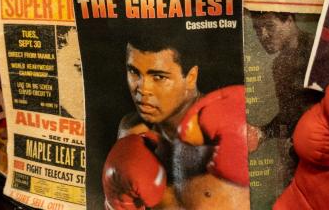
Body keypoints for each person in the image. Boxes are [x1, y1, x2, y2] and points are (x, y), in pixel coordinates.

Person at [104, 39, 250, 210]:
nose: (143, 89)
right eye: (134, 72)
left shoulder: (227, 129)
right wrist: (116, 204)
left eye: (158, 77)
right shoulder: (131, 130)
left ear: (191, 77)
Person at [250, 12, 318, 184]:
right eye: (257, 29)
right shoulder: (279, 64)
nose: (263, 35)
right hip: (300, 158)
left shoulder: (317, 50)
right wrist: (263, 133)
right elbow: (289, 114)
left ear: (288, 20)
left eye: (269, 26)